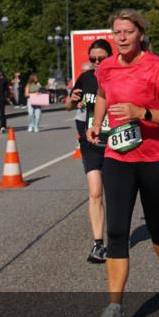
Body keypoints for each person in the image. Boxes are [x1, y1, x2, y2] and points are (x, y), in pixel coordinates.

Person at [86, 9, 159, 317]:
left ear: (140, 34)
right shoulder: (108, 67)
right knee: (116, 231)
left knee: (157, 227)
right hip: (118, 156)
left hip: (157, 158)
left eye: (128, 31)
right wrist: (97, 122)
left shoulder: (155, 67)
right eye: (117, 32)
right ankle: (115, 307)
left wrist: (141, 111)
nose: (123, 37)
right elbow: (103, 94)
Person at [68, 41, 114, 263]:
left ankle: (117, 236)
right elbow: (69, 104)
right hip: (91, 142)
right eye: (93, 59)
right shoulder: (85, 79)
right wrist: (72, 99)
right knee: (95, 192)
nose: (97, 63)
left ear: (110, 57)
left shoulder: (118, 77)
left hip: (116, 142)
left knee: (115, 194)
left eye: (101, 58)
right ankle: (98, 244)